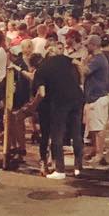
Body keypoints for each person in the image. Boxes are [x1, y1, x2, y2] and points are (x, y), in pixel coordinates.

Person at [32, 39, 84, 179]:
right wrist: (81, 83)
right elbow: (79, 64)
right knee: (76, 132)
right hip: (77, 97)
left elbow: (41, 93)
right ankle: (78, 167)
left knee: (57, 134)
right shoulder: (64, 59)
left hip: (60, 101)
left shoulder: (41, 69)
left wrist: (32, 106)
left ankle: (60, 170)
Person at [82, 34, 109, 167]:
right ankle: (96, 150)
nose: (86, 46)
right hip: (93, 97)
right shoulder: (96, 58)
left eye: (88, 44)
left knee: (98, 128)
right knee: (94, 127)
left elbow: (85, 71)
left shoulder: (98, 59)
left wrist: (78, 62)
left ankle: (100, 154)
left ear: (94, 45)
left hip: (98, 97)